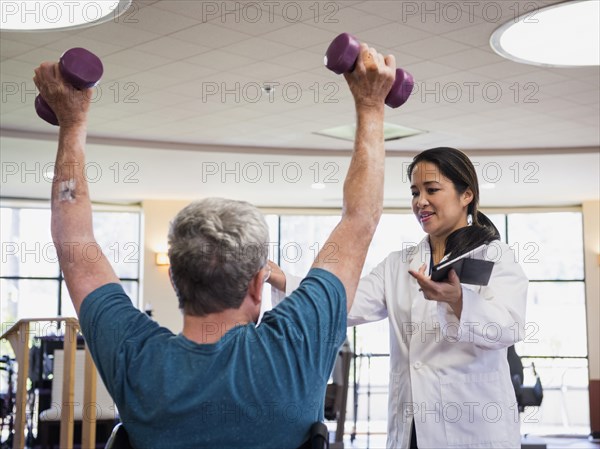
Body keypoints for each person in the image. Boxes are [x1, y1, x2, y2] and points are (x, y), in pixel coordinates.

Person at [33, 43, 396, 449]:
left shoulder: (137, 360)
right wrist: (371, 106)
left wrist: (71, 121)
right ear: (259, 286)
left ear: (174, 279)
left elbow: (73, 241)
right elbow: (360, 219)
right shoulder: (297, 345)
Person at [268, 147, 528, 448]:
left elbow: (509, 327)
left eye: (432, 190)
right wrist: (282, 279)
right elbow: (345, 302)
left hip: (473, 429)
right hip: (411, 427)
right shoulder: (398, 264)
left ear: (466, 195)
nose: (420, 202)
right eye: (415, 192)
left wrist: (458, 301)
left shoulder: (495, 256)